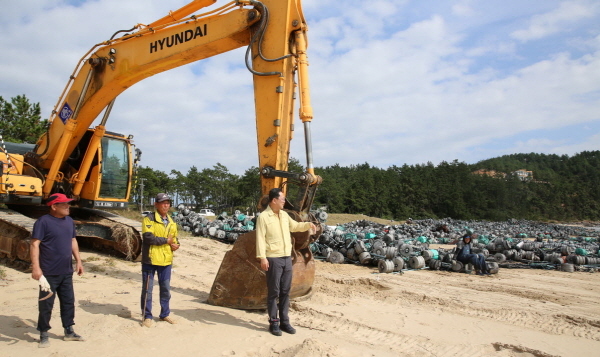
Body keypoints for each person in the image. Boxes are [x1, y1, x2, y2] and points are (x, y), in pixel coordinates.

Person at [256, 188, 317, 336]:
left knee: (285, 291)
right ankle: (274, 322)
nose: (284, 201)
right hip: (273, 258)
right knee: (274, 292)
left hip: (286, 258)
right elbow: (260, 238)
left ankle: (285, 321)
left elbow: (295, 226)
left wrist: (308, 224)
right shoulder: (263, 217)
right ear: (274, 200)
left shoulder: (284, 215)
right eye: (282, 199)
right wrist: (262, 257)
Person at [30, 193, 85, 348]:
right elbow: (34, 244)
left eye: (68, 204)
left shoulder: (69, 221)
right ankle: (44, 333)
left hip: (66, 271)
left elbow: (73, 240)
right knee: (46, 304)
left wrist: (79, 261)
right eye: (64, 204)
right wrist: (36, 267)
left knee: (68, 302)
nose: (68, 207)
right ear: (54, 206)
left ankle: (69, 331)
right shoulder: (43, 222)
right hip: (48, 273)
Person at [140, 193, 180, 327]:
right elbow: (148, 238)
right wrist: (166, 241)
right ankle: (147, 316)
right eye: (163, 202)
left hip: (166, 261)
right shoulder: (149, 219)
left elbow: (175, 237)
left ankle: (165, 314)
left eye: (168, 202)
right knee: (147, 290)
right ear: (156, 204)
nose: (166, 205)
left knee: (166, 289)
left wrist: (176, 244)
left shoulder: (171, 221)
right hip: (150, 260)